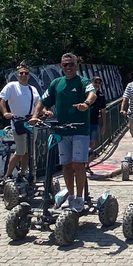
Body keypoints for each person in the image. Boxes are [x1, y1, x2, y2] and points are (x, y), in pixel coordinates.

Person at [30, 53, 96, 212]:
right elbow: (43, 100)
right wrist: (35, 116)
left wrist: (86, 104)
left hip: (80, 129)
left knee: (79, 165)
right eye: (65, 65)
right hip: (62, 130)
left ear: (76, 65)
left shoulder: (82, 81)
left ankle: (80, 199)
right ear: (61, 66)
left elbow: (92, 93)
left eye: (71, 64)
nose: (68, 67)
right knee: (66, 166)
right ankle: (71, 196)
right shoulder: (56, 83)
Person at [0, 63, 40, 180]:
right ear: (17, 75)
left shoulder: (33, 89)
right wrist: (5, 113)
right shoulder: (11, 86)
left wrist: (45, 111)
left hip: (31, 123)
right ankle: (8, 175)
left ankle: (23, 174)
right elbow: (1, 99)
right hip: (18, 122)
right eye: (21, 73)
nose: (24, 75)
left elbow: (38, 104)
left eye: (26, 73)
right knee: (20, 151)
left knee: (29, 151)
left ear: (29, 76)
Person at [89, 76, 107, 154]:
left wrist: (103, 125)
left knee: (91, 143)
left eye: (99, 83)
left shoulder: (101, 96)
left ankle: (87, 164)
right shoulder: (86, 94)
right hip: (84, 122)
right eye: (95, 82)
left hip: (94, 122)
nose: (97, 84)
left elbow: (103, 111)